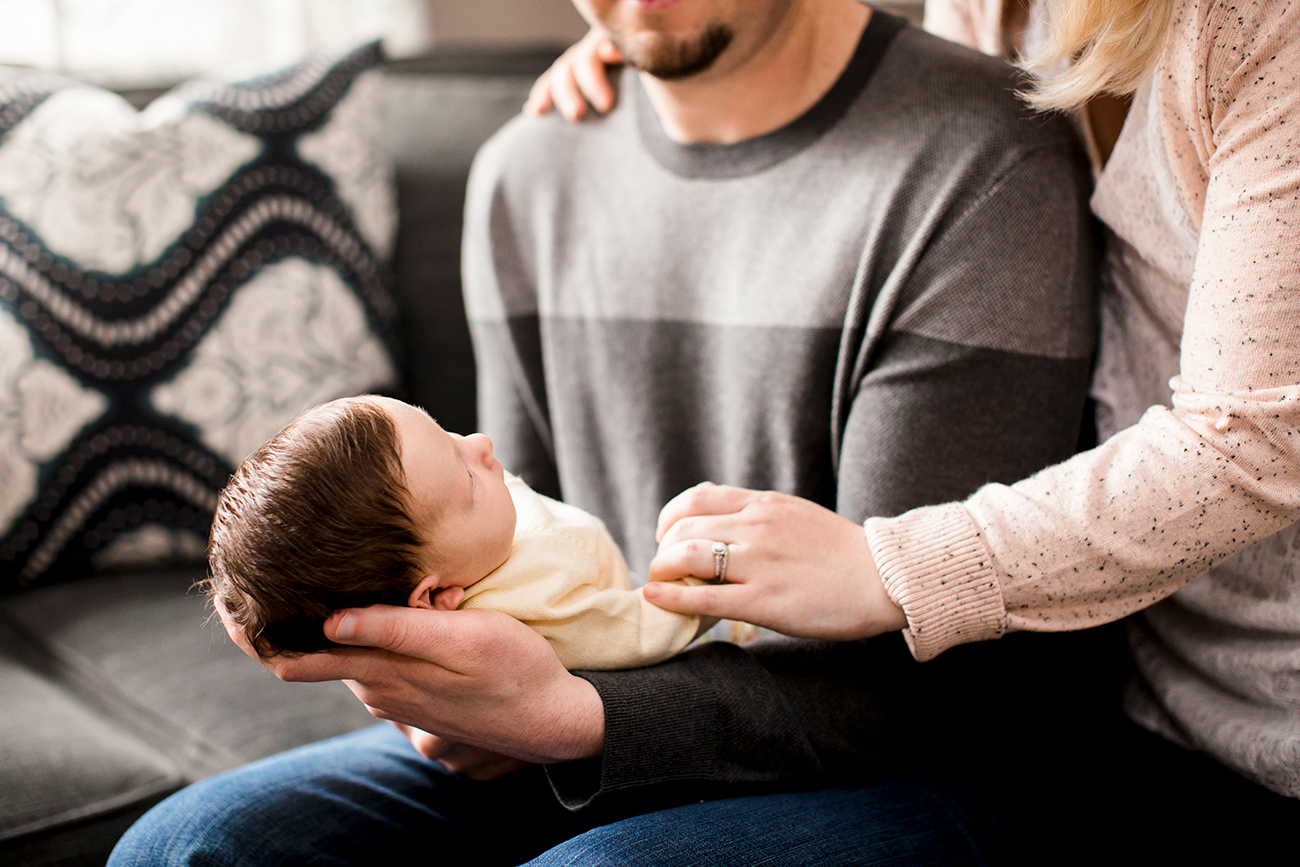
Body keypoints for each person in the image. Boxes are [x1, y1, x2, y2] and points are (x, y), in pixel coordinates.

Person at [108, 1, 1102, 864]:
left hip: (915, 766)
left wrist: (567, 719)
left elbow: (924, 687)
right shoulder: (529, 171)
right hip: (603, 721)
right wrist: (446, 694)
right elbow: (505, 551)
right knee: (186, 849)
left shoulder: (976, 160)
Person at [208, 394, 708, 668]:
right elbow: (643, 633)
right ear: (440, 594)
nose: (482, 443)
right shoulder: (536, 604)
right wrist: (705, 579)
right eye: (467, 476)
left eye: (446, 431)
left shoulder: (462, 536)